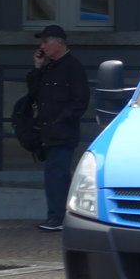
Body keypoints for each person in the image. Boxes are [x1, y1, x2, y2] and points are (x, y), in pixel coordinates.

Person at [27, 24, 90, 232]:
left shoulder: (73, 67)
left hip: (62, 131)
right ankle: (61, 215)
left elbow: (80, 100)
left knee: (57, 173)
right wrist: (37, 67)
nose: (42, 46)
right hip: (48, 130)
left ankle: (58, 218)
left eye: (45, 41)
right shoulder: (49, 67)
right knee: (55, 173)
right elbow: (34, 93)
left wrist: (61, 120)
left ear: (58, 43)